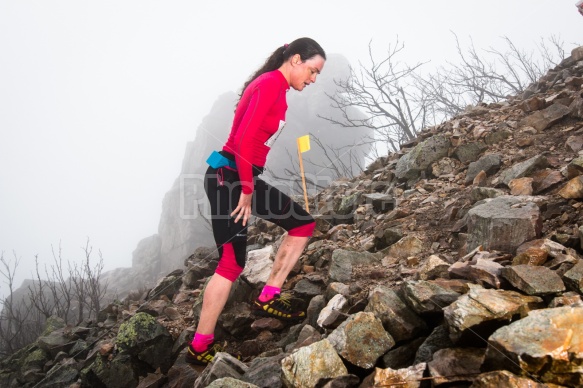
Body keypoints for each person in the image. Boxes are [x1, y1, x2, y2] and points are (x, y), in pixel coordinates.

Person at [185, 37, 326, 366]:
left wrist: (247, 183)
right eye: (312, 70)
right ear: (295, 60)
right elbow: (245, 140)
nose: (313, 78)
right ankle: (200, 346)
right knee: (231, 264)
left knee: (303, 224)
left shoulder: (274, 86)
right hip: (230, 178)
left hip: (239, 176)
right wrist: (246, 190)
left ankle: (269, 295)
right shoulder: (270, 86)